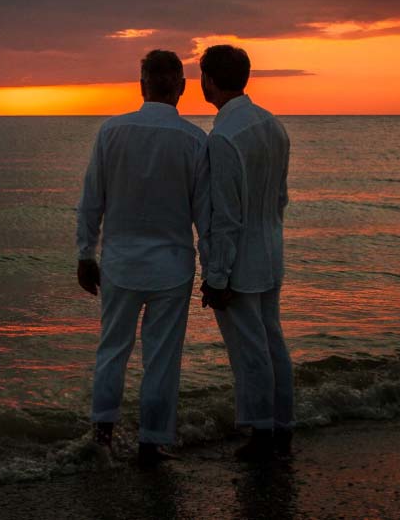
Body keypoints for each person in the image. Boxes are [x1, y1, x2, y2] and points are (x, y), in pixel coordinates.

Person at [76, 49, 210, 467]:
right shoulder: (195, 140)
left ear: (141, 85)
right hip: (173, 265)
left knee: (112, 350)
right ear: (181, 87)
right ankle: (152, 442)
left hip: (120, 262)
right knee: (162, 359)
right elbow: (205, 216)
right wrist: (215, 270)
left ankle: (102, 436)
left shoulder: (112, 132)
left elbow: (92, 199)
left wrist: (85, 253)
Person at [198, 44, 294, 461]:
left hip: (241, 258)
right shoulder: (273, 126)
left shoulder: (223, 137)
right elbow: (280, 198)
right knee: (271, 339)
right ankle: (281, 424)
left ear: (209, 80)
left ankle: (261, 430)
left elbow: (225, 215)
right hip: (270, 247)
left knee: (249, 347)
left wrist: (216, 275)